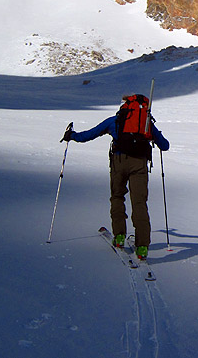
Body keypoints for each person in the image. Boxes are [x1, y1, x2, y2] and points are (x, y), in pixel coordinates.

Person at [62, 95, 170, 259]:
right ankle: (142, 246)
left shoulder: (114, 121)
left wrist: (72, 135)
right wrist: (152, 134)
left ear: (124, 107)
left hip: (119, 163)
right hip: (139, 165)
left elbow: (89, 135)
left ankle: (119, 237)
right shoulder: (146, 123)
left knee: (117, 197)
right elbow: (165, 146)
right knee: (139, 203)